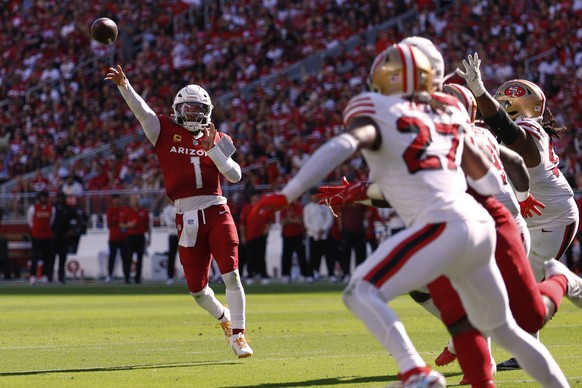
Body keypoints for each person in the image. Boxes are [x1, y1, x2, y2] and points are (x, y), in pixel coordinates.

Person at [251, 43, 569, 386]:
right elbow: (490, 180)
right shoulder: (458, 125)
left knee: (362, 291)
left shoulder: (390, 111)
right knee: (505, 325)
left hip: (448, 224)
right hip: (491, 223)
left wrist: (289, 193)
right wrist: (519, 199)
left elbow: (346, 145)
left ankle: (416, 371)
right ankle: (530, 323)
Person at [106, 65, 253, 358]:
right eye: (188, 107)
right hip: (186, 218)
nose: (193, 113)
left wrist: (213, 150)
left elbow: (235, 176)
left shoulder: (219, 137)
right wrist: (126, 87)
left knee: (231, 274)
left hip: (216, 210)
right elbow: (142, 112)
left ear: (208, 111)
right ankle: (224, 318)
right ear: (177, 109)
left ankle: (238, 335)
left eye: (198, 108)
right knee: (197, 289)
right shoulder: (164, 130)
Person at [457, 52, 581, 371]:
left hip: (553, 216)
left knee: (524, 286)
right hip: (536, 216)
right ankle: (528, 346)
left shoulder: (529, 129)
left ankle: (566, 283)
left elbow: (511, 134)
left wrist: (480, 91)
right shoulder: (510, 130)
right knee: (518, 284)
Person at [239, 192, 273, 285]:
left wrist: (267, 229)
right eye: (254, 196)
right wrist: (242, 236)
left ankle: (263, 275)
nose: (255, 198)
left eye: (257, 196)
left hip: (261, 236)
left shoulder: (264, 208)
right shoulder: (247, 208)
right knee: (250, 257)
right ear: (251, 198)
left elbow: (270, 220)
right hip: (250, 236)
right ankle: (250, 275)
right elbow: (242, 224)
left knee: (261, 256)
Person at [303, 188, 334, 281]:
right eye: (313, 195)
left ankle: (331, 274)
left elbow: (330, 219)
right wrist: (316, 230)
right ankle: (311, 274)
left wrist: (323, 229)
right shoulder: (307, 207)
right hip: (313, 235)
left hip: (324, 235)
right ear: (310, 196)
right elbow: (307, 222)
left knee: (328, 255)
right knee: (313, 256)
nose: (315, 197)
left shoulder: (325, 206)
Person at [280, 199, 311, 283]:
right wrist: (292, 219)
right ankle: (285, 275)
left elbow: (299, 221)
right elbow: (282, 221)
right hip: (286, 235)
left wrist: (288, 219)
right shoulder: (284, 208)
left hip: (298, 235)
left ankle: (304, 274)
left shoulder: (298, 207)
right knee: (286, 256)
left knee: (301, 256)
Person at [27, 190, 55, 285]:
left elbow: (51, 221)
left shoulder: (52, 209)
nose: (44, 198)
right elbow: (30, 221)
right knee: (34, 256)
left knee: (46, 257)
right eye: (43, 196)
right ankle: (33, 276)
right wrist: (35, 230)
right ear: (40, 198)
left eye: (46, 197)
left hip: (47, 236)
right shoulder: (33, 208)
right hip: (36, 236)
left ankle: (45, 276)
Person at [122, 194, 150, 284]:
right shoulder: (126, 211)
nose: (134, 201)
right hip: (130, 237)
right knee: (128, 258)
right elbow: (121, 224)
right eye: (133, 200)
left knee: (140, 258)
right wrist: (127, 225)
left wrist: (149, 237)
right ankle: (127, 278)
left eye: (136, 200)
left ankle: (137, 278)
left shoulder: (144, 211)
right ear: (130, 202)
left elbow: (148, 225)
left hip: (140, 236)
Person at [51, 192, 78, 284]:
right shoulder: (52, 208)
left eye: (62, 198)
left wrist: (71, 231)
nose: (60, 199)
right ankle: (49, 277)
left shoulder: (68, 209)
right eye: (59, 197)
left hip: (64, 236)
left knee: (62, 258)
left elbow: (78, 219)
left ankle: (61, 277)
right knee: (51, 258)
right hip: (54, 236)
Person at [105, 194, 129, 283]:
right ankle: (109, 275)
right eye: (115, 199)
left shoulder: (124, 210)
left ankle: (126, 277)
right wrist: (119, 220)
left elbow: (127, 221)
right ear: (113, 201)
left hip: (124, 238)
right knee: (112, 258)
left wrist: (118, 220)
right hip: (113, 238)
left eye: (118, 199)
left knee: (125, 258)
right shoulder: (110, 210)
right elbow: (109, 222)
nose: (117, 201)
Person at [161, 198, 179, 285]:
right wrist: (178, 222)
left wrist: (176, 222)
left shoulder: (180, 207)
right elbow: (169, 223)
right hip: (172, 234)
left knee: (187, 256)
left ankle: (189, 276)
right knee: (171, 256)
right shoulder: (166, 209)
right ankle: (170, 277)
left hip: (182, 234)